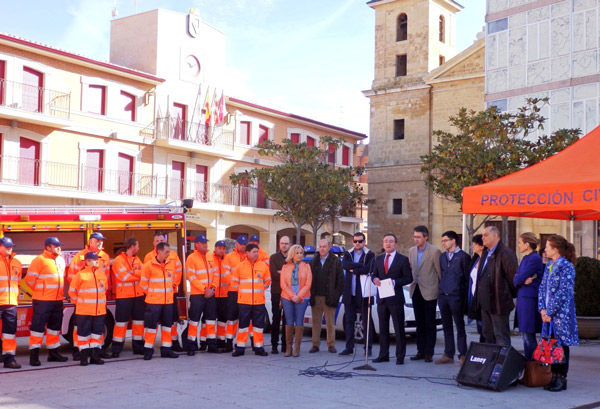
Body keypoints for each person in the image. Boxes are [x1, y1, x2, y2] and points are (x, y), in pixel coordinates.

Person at [539, 235, 579, 392]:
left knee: (561, 345)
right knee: (551, 344)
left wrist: (550, 311)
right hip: (548, 314)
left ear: (555, 249)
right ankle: (554, 376)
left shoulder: (566, 267)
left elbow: (564, 292)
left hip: (560, 314)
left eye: (548, 247)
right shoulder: (550, 265)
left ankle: (562, 378)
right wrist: (542, 309)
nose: (545, 249)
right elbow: (542, 288)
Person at [25, 236, 69, 366]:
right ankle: (34, 355)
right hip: (43, 300)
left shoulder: (61, 260)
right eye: (56, 246)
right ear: (48, 247)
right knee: (37, 329)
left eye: (59, 245)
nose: (59, 248)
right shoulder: (39, 260)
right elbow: (29, 280)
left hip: (57, 300)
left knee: (54, 329)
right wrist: (42, 291)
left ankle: (53, 353)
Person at [68, 232, 111, 360]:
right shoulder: (79, 256)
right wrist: (80, 301)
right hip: (84, 306)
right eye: (97, 240)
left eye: (101, 240)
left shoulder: (105, 256)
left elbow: (105, 283)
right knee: (81, 330)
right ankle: (79, 352)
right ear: (90, 241)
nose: (100, 242)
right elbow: (72, 279)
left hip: (98, 307)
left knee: (97, 331)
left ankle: (96, 353)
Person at [371, 233, 413, 365]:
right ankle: (384, 354)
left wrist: (395, 282)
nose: (388, 243)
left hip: (396, 298)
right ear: (383, 244)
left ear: (396, 244)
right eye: (385, 241)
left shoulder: (403, 259)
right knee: (383, 329)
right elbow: (374, 274)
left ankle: (400, 356)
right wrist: (375, 279)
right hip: (382, 299)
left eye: (391, 241)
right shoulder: (378, 259)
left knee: (398, 328)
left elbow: (409, 278)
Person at [472, 226, 518, 346]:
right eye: (482, 235)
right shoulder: (486, 253)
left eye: (485, 235)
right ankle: (491, 362)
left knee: (501, 336)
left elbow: (512, 279)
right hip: (485, 303)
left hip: (499, 303)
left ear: (495, 236)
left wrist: (505, 296)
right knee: (488, 336)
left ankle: (502, 363)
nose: (482, 238)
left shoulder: (506, 253)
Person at [435, 231, 471, 365]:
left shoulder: (463, 257)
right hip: (443, 295)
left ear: (453, 241)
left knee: (459, 326)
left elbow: (467, 278)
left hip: (457, 296)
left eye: (445, 240)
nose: (443, 243)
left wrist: (464, 296)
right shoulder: (443, 257)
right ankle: (448, 353)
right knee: (446, 326)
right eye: (442, 240)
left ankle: (462, 354)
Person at [144, 232, 183, 352]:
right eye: (157, 241)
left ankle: (170, 346)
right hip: (154, 300)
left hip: (170, 297)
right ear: (154, 244)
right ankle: (148, 350)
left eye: (162, 240)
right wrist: (152, 295)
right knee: (151, 326)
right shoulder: (148, 258)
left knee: (170, 324)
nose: (160, 242)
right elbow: (144, 283)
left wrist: (173, 285)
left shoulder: (173, 256)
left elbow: (179, 272)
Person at [230, 243, 271, 357]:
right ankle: (240, 348)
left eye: (257, 251)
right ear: (247, 253)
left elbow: (267, 282)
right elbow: (234, 284)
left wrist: (258, 290)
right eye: (253, 252)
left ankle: (259, 347)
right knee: (243, 326)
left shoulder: (263, 266)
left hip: (259, 302)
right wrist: (244, 292)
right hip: (244, 302)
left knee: (258, 326)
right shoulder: (240, 266)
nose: (256, 253)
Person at [408, 225, 441, 363]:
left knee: (429, 323)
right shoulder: (411, 251)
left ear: (425, 237)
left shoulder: (434, 251)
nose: (416, 239)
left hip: (430, 291)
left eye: (418, 237)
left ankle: (429, 352)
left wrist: (440, 290)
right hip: (416, 290)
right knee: (419, 323)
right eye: (414, 236)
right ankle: (420, 351)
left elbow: (439, 272)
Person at [340, 232, 375, 356]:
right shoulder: (348, 253)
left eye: (360, 241)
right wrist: (360, 266)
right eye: (355, 241)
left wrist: (354, 269)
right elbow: (344, 265)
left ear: (364, 242)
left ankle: (368, 348)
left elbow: (369, 268)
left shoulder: (370, 254)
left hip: (364, 293)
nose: (357, 243)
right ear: (352, 242)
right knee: (349, 321)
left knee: (366, 322)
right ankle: (349, 347)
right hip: (350, 293)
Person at [111, 237, 145, 357]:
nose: (139, 248)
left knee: (139, 323)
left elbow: (144, 273)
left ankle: (139, 348)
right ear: (132, 247)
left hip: (138, 296)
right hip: (124, 297)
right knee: (121, 323)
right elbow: (123, 277)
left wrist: (133, 273)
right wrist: (137, 275)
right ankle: (116, 349)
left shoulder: (137, 259)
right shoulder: (118, 260)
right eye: (138, 246)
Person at [308, 239, 344, 354]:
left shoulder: (336, 261)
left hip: (329, 296)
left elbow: (340, 280)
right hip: (316, 296)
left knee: (330, 323)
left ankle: (331, 345)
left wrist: (336, 295)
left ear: (329, 247)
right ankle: (315, 344)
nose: (322, 249)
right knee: (316, 322)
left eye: (324, 246)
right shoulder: (313, 261)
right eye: (320, 246)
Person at [514, 232, 544, 361]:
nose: (518, 246)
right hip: (523, 298)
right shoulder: (526, 258)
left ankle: (533, 365)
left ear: (527, 244)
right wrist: (519, 279)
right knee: (525, 335)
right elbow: (518, 277)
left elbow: (518, 277)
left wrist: (519, 279)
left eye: (520, 243)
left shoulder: (534, 258)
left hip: (529, 300)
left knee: (528, 335)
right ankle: (529, 364)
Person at [186, 235, 218, 355]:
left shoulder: (210, 257)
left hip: (210, 294)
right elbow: (191, 277)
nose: (205, 244)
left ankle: (211, 345)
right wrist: (205, 289)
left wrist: (212, 288)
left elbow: (216, 275)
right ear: (196, 245)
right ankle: (191, 346)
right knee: (194, 321)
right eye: (203, 243)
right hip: (198, 295)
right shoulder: (191, 258)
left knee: (210, 321)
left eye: (206, 242)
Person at [280, 244, 312, 357]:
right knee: (289, 321)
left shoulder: (306, 266)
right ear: (292, 254)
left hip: (302, 298)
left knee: (299, 321)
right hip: (287, 297)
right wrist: (292, 295)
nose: (299, 255)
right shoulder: (285, 267)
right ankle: (289, 348)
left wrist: (299, 296)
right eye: (297, 253)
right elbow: (283, 284)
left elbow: (308, 284)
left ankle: (297, 348)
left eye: (301, 253)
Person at [222, 235, 248, 352]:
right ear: (236, 244)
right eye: (241, 244)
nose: (243, 246)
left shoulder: (248, 257)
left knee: (243, 319)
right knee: (231, 319)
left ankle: (240, 343)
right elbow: (226, 274)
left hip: (245, 293)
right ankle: (229, 342)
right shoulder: (229, 257)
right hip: (233, 292)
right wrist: (237, 284)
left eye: (245, 244)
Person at [0, 237, 22, 369]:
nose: (10, 248)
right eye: (7, 246)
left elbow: (17, 281)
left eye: (11, 246)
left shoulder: (17, 263)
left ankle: (9, 359)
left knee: (9, 334)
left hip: (11, 303)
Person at [268, 236, 291, 354]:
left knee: (288, 320)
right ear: (279, 244)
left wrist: (281, 271)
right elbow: (273, 275)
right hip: (276, 292)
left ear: (289, 244)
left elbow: (294, 276)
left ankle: (285, 345)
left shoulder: (293, 258)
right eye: (282, 243)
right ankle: (274, 345)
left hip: (289, 293)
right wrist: (286, 273)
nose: (284, 246)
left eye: (286, 243)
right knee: (276, 319)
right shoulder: (273, 257)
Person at [211, 240, 228, 352]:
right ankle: (207, 342)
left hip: (225, 295)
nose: (222, 250)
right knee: (210, 319)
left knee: (222, 320)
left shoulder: (228, 259)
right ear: (215, 248)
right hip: (213, 294)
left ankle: (221, 340)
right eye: (219, 248)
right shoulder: (209, 259)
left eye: (223, 248)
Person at [467, 234, 485, 343]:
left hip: (483, 299)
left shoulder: (487, 260)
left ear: (482, 246)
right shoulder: (475, 259)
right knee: (479, 328)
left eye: (475, 244)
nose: (472, 246)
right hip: (474, 298)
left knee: (484, 329)